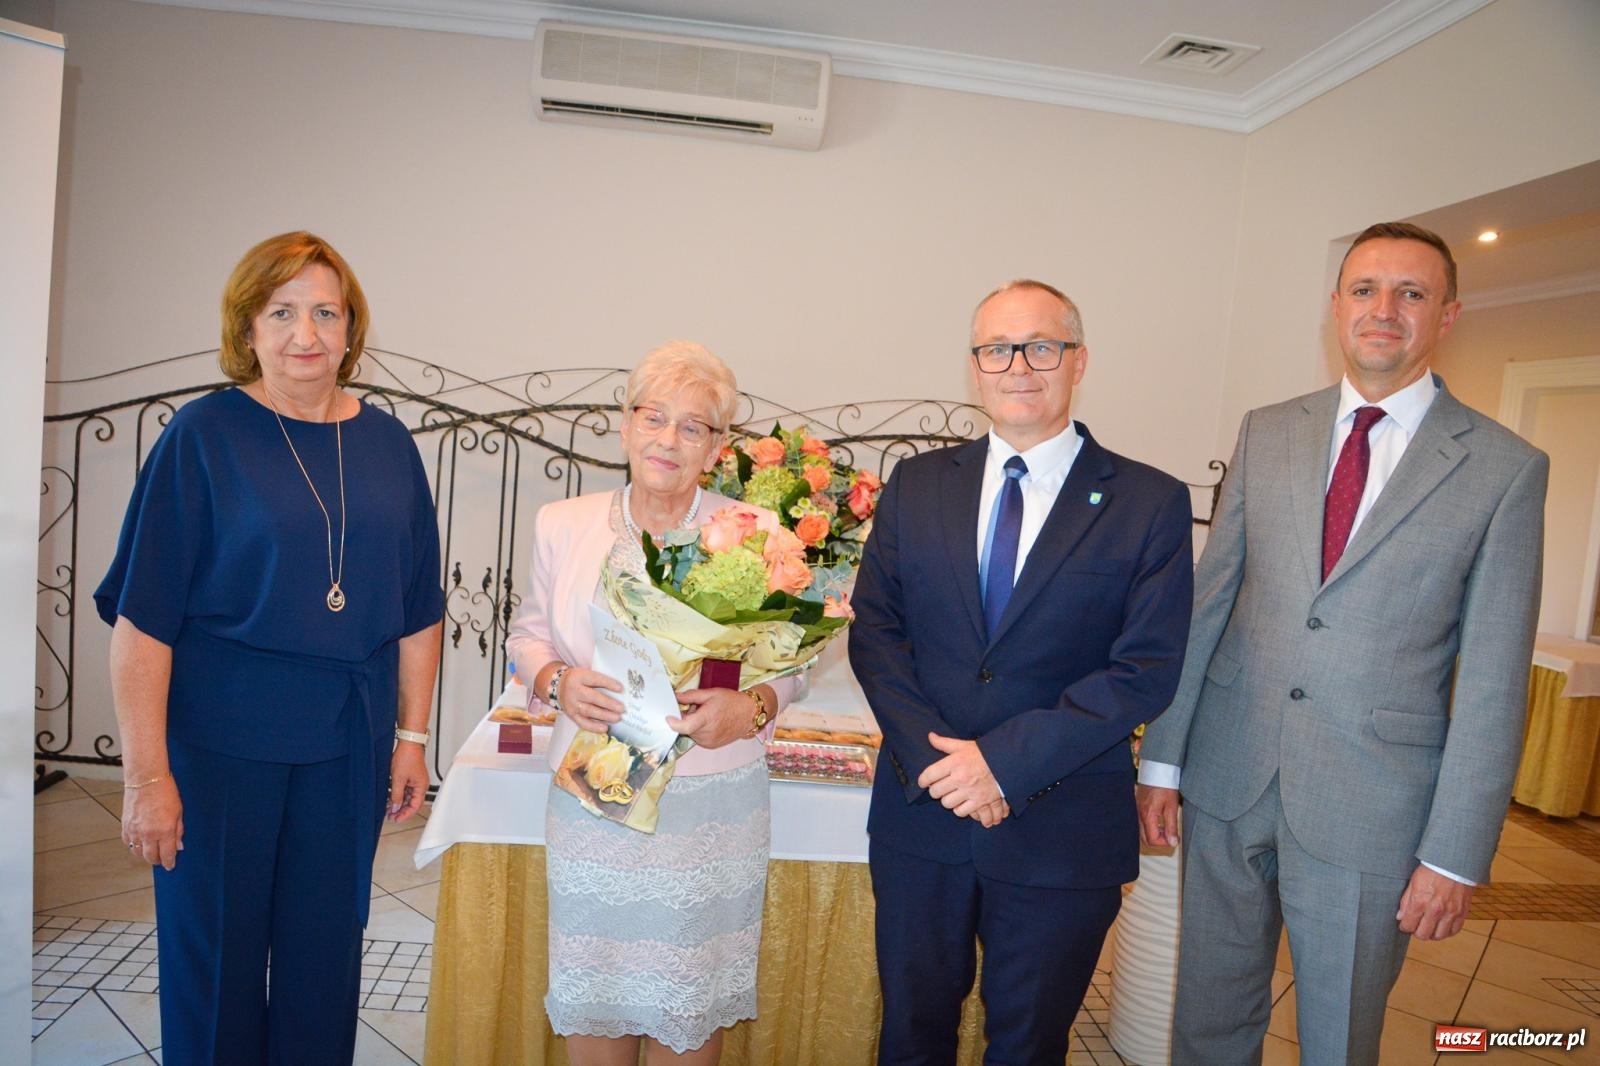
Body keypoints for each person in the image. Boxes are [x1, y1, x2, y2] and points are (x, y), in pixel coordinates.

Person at [1137, 222, 1548, 1065]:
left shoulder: (1505, 468)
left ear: (1448, 314)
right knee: (1207, 1022)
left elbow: (1496, 681)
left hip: (1375, 808)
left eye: (1412, 293)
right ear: (1335, 308)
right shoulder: (1269, 430)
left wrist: (1456, 854)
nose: (1383, 310)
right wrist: (1161, 761)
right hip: (1228, 778)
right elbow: (1209, 604)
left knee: (1338, 1039)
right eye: (1364, 290)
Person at [95, 231, 445, 1065]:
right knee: (214, 958)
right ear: (247, 328)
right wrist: (148, 779)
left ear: (352, 329)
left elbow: (418, 607)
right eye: (282, 312)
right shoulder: (203, 436)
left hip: (346, 742)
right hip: (219, 746)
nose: (306, 335)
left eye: (326, 312)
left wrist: (413, 737)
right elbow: (142, 623)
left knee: (325, 958)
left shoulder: (390, 444)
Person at [848, 280, 1195, 1065]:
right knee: (910, 1036)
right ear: (975, 368)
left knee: (1030, 1046)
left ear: (1079, 361)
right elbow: (877, 631)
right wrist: (946, 766)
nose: (1019, 366)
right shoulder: (919, 484)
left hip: (1061, 828)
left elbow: (1144, 668)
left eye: (1042, 346)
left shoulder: (1148, 501)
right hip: (921, 816)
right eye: (997, 349)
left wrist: (1001, 765)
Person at [506, 341, 798, 1065]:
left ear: (716, 446)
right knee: (595, 999)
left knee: (686, 1009)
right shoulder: (562, 523)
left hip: (709, 804)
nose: (668, 440)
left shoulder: (757, 535)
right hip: (594, 800)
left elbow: (795, 664)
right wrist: (557, 683)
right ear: (626, 422)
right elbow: (528, 633)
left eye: (693, 426)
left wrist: (752, 708)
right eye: (654, 417)